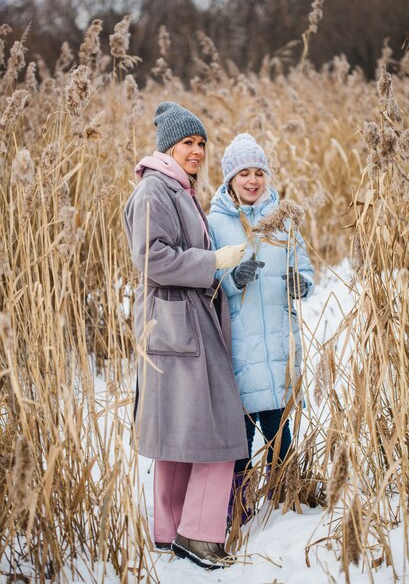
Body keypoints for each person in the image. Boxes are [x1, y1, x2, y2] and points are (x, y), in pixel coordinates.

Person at [123, 102, 249, 570]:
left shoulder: (178, 188)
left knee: (180, 429)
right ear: (167, 147)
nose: (196, 151)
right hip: (174, 323)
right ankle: (198, 534)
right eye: (187, 143)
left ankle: (168, 530)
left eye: (200, 143)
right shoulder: (155, 190)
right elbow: (150, 259)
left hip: (182, 321)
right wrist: (213, 263)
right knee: (218, 429)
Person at [207, 133, 314, 516]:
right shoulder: (215, 223)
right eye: (243, 174)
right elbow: (205, 283)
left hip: (276, 349)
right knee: (238, 441)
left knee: (279, 433)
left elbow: (303, 267)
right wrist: (233, 280)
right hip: (236, 350)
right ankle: (236, 508)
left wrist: (302, 284)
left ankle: (285, 502)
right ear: (230, 179)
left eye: (259, 172)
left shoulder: (282, 220)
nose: (252, 181)